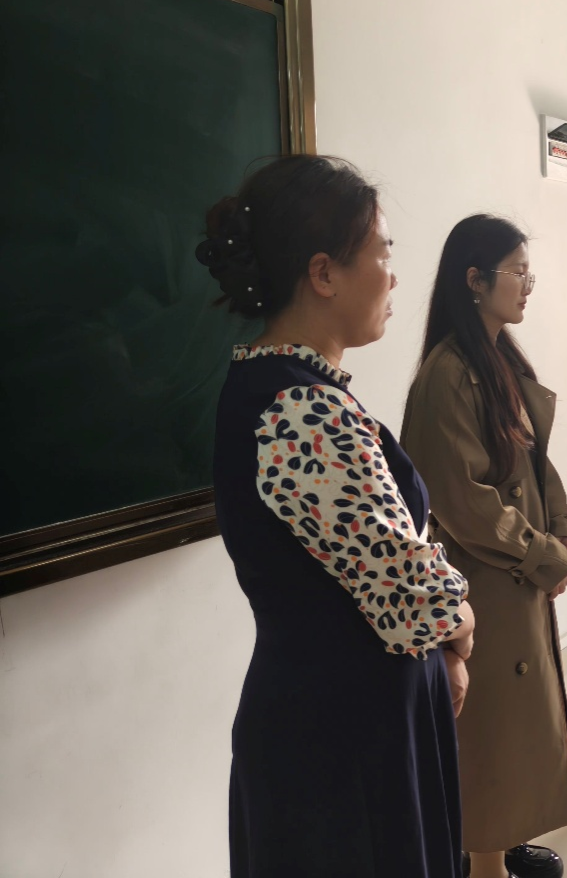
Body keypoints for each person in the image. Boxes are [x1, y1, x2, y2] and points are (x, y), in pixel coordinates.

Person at [198, 154, 475, 878]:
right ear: (323, 274)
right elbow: (413, 599)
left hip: (337, 717)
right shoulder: (301, 410)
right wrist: (461, 626)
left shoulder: (285, 388)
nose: (393, 276)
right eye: (383, 253)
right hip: (343, 738)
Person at [402, 215, 567, 878]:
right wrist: (543, 555)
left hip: (517, 575)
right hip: (486, 580)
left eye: (530, 272)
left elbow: (536, 463)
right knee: (491, 730)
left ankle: (498, 842)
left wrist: (563, 534)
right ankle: (484, 862)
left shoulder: (499, 358)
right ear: (475, 280)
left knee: (517, 722)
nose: (528, 284)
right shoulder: (448, 373)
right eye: (517, 272)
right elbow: (463, 500)